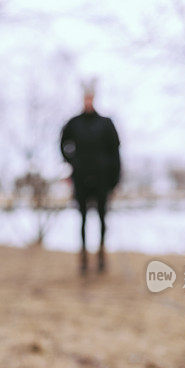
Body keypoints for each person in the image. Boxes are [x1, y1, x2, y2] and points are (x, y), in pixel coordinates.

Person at [60, 84, 121, 272]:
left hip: (102, 179)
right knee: (83, 218)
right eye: (85, 98)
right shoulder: (74, 123)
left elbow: (115, 153)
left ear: (94, 99)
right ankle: (84, 256)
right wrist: (72, 162)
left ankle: (101, 254)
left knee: (102, 217)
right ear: (83, 99)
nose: (88, 101)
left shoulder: (106, 123)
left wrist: (115, 180)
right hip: (81, 177)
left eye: (90, 98)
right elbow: (62, 144)